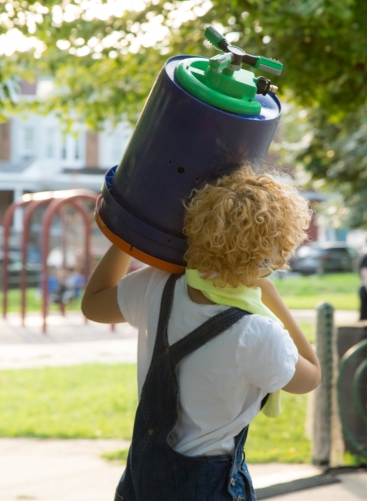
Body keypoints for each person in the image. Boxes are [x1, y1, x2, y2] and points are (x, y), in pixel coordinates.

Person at [82, 166, 321, 501]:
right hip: (209, 487)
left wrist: (130, 233)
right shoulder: (255, 333)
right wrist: (268, 292)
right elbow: (310, 377)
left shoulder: (158, 285)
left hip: (142, 481)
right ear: (274, 249)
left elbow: (93, 304)